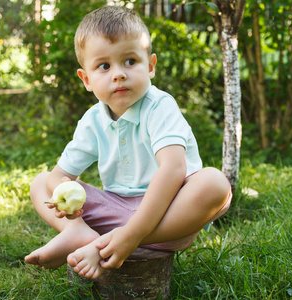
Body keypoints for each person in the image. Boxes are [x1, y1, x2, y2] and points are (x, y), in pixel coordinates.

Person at [24, 5, 231, 279]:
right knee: (41, 182)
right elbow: (60, 175)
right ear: (86, 79)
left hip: (168, 217)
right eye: (104, 66)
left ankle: (114, 241)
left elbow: (173, 170)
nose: (118, 73)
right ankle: (78, 233)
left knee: (216, 184)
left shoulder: (160, 107)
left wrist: (131, 233)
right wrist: (62, 190)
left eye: (130, 61)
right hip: (114, 209)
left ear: (151, 66)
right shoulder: (92, 120)